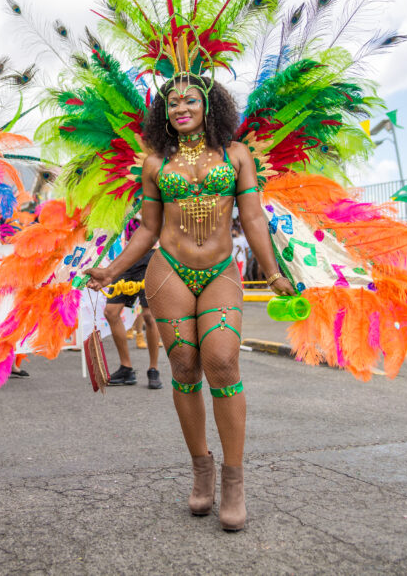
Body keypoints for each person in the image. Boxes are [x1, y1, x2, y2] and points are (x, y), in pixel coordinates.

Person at [85, 75, 295, 531]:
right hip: (170, 271)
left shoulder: (236, 155)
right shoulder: (155, 163)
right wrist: (114, 269)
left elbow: (253, 217)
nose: (181, 107)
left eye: (190, 99)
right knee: (182, 363)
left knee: (221, 360)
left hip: (220, 272)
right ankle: (202, 468)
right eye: (172, 102)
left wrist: (274, 271)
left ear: (209, 105)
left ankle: (234, 479)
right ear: (163, 113)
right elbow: (147, 229)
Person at [104, 247, 162, 389]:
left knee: (149, 315)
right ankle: (126, 368)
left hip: (150, 254)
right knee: (111, 312)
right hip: (124, 255)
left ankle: (153, 369)